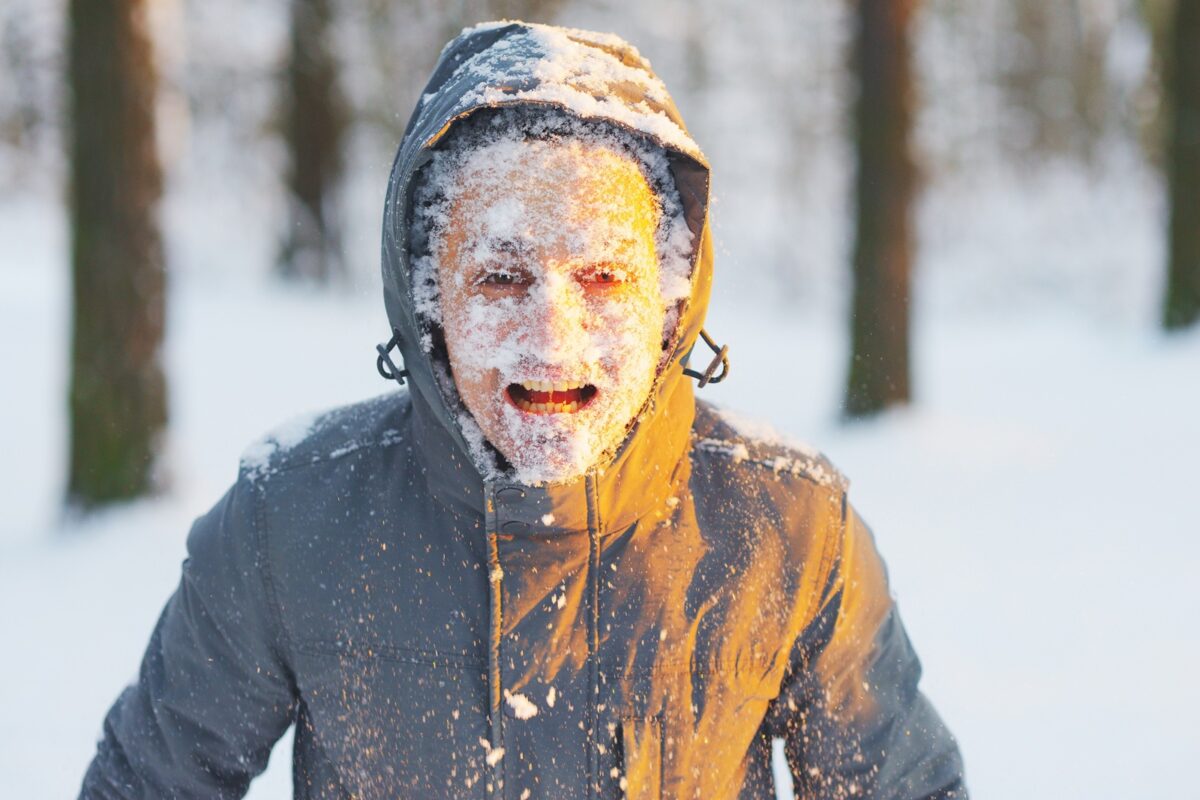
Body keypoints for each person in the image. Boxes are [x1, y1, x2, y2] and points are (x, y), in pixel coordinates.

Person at [79, 21, 966, 800]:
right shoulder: (291, 525)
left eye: (603, 278)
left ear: (669, 299)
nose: (553, 337)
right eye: (501, 278)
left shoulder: (786, 532)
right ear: (428, 299)